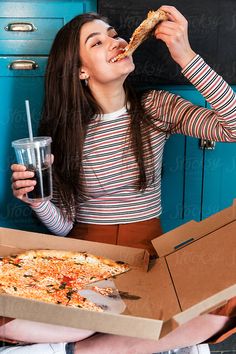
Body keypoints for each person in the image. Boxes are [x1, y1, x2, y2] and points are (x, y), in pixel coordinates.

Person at [5, 4, 236, 353]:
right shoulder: (65, 132)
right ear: (81, 71)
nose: (115, 42)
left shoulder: (157, 107)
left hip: (148, 264)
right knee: (13, 310)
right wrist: (40, 202)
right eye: (97, 43)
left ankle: (82, 347)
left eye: (113, 35)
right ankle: (108, 333)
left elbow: (232, 127)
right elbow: (66, 227)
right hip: (84, 265)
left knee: (227, 305)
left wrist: (186, 56)